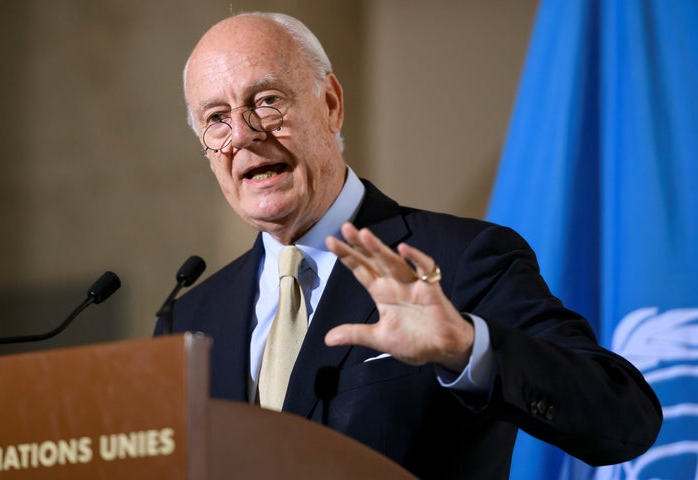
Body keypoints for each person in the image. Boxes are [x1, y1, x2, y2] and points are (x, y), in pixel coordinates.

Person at [155, 11, 661, 479]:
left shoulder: (463, 261)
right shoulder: (190, 318)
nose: (241, 135)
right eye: (216, 118)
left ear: (330, 104)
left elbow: (624, 415)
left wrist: (465, 346)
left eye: (266, 101)